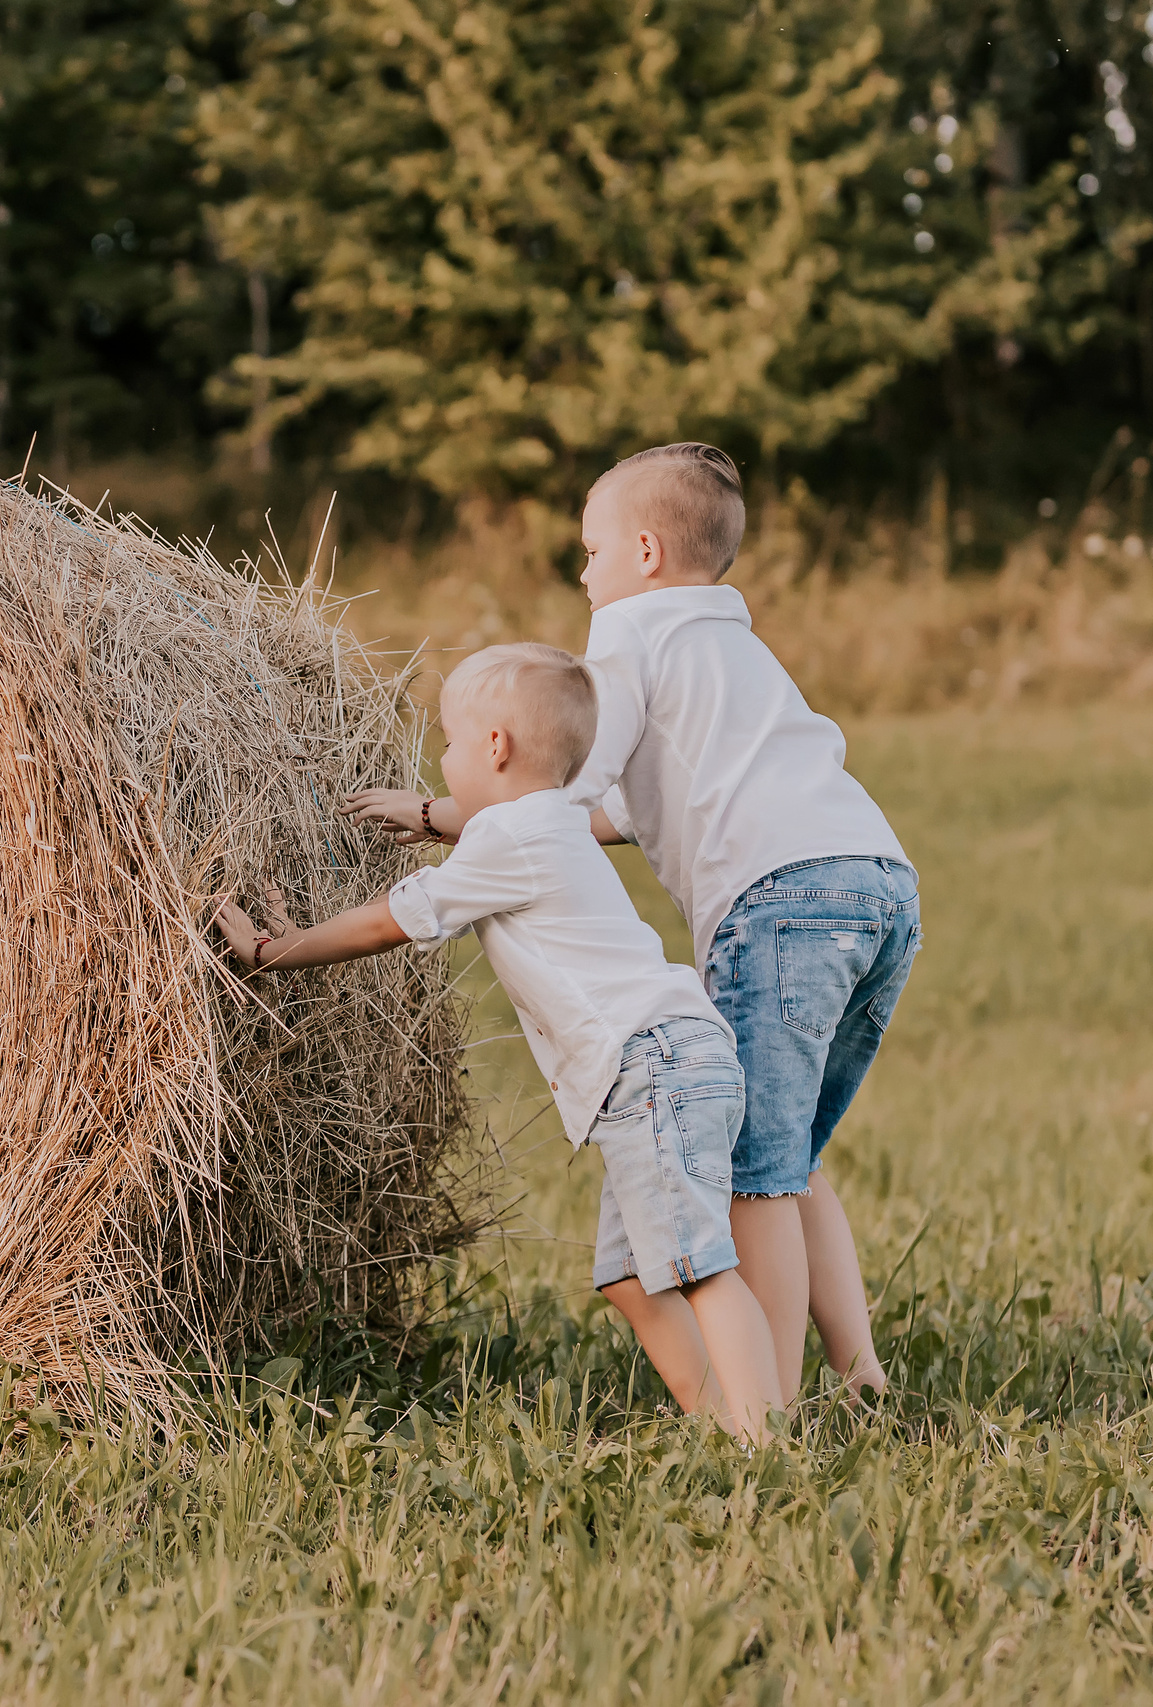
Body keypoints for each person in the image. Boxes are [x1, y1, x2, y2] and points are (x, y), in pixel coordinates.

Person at [347, 444, 919, 1402]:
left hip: (777, 903)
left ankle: (767, 1410)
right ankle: (858, 1373)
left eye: (591, 549)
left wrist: (451, 816)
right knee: (791, 1155)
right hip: (875, 884)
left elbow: (561, 787)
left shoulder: (627, 632)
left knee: (753, 1177)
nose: (583, 570)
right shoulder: (732, 641)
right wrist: (448, 817)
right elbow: (621, 814)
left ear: (644, 552)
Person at [215, 643, 783, 1439]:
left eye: (447, 742)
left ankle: (766, 1444)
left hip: (651, 1064)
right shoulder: (545, 819)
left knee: (698, 1267)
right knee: (628, 1275)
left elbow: (389, 920)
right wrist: (423, 812)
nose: (440, 762)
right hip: (664, 1060)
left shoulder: (508, 842)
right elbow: (470, 818)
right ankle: (717, 1420)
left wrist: (281, 950)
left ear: (495, 748)